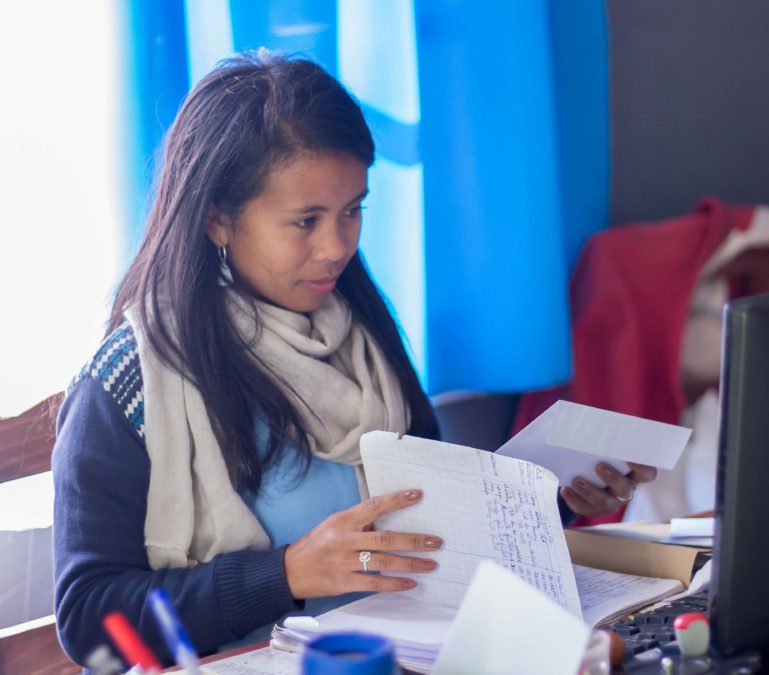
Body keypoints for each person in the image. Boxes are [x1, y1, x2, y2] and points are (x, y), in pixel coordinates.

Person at [52, 49, 656, 667]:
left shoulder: (358, 330)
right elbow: (87, 617)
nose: (337, 247)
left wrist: (549, 502)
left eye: (352, 210)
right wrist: (288, 573)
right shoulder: (131, 381)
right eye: (305, 221)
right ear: (217, 221)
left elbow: (431, 528)